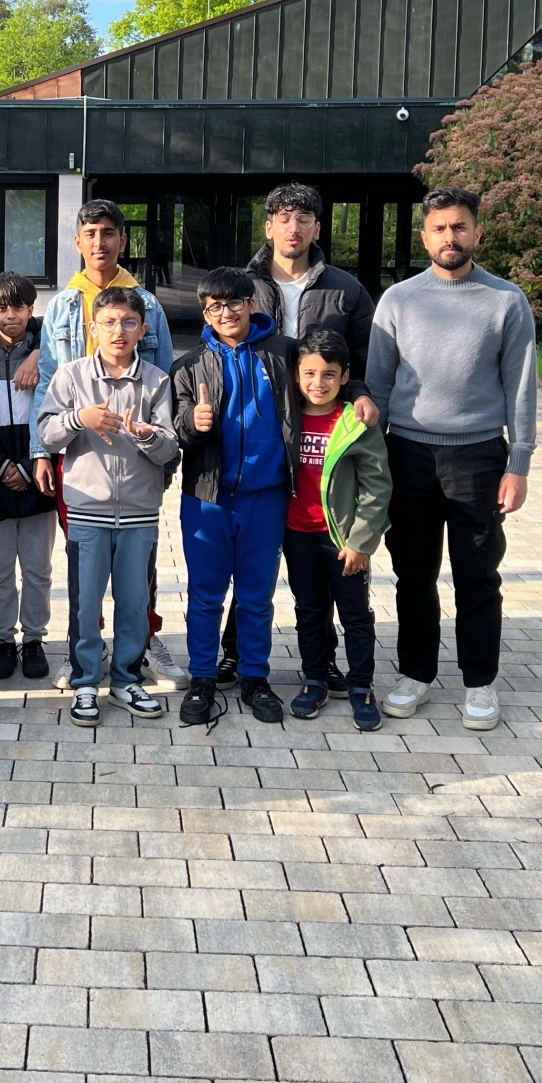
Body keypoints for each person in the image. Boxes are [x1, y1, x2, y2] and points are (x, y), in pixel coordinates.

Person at [365, 185, 537, 732]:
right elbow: (379, 386)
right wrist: (375, 461)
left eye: (460, 227)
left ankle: (480, 682)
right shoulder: (398, 300)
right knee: (413, 573)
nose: (450, 237)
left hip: (480, 457)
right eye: (439, 228)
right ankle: (416, 673)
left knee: (478, 576)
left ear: (477, 233)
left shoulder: (506, 301)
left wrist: (520, 463)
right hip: (408, 453)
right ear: (424, 236)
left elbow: (522, 387)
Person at [218, 181, 379, 689]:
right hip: (259, 434)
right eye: (284, 218)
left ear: (316, 226)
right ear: (268, 226)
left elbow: (364, 356)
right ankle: (234, 651)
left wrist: (361, 393)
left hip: (318, 434)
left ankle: (323, 661)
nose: (294, 227)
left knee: (320, 570)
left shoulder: (345, 288)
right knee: (253, 560)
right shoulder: (242, 284)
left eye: (304, 218)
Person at [28, 199, 178, 691]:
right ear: (77, 242)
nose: (99, 242)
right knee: (84, 570)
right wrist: (41, 449)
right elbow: (50, 376)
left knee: (140, 568)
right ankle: (81, 654)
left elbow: (164, 374)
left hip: (137, 467)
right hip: (82, 461)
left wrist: (161, 449)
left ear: (122, 240)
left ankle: (144, 644)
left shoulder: (147, 303)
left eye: (109, 233)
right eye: (90, 233)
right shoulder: (63, 306)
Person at [169, 267, 299, 727]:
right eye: (215, 306)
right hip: (207, 497)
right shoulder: (187, 365)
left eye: (235, 303)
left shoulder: (285, 353)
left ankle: (254, 676)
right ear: (205, 311)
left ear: (251, 304)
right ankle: (203, 676)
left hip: (265, 497)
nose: (226, 313)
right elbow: (176, 429)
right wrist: (195, 424)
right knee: (205, 595)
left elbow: (329, 381)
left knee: (257, 595)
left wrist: (360, 391)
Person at [283, 329, 392, 733]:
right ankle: (314, 678)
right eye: (309, 373)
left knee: (354, 615)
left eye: (329, 374)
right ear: (297, 375)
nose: (318, 383)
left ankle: (362, 685)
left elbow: (378, 487)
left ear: (345, 376)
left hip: (344, 540)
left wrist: (362, 542)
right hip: (297, 534)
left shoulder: (356, 422)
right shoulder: (288, 415)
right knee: (310, 611)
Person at [0, 272, 57, 681]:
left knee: (38, 567)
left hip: (38, 475)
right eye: (1, 309)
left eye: (19, 308)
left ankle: (34, 639)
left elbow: (56, 413)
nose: (11, 316)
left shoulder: (48, 356)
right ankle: (4, 641)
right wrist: (0, 466)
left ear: (31, 309)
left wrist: (28, 464)